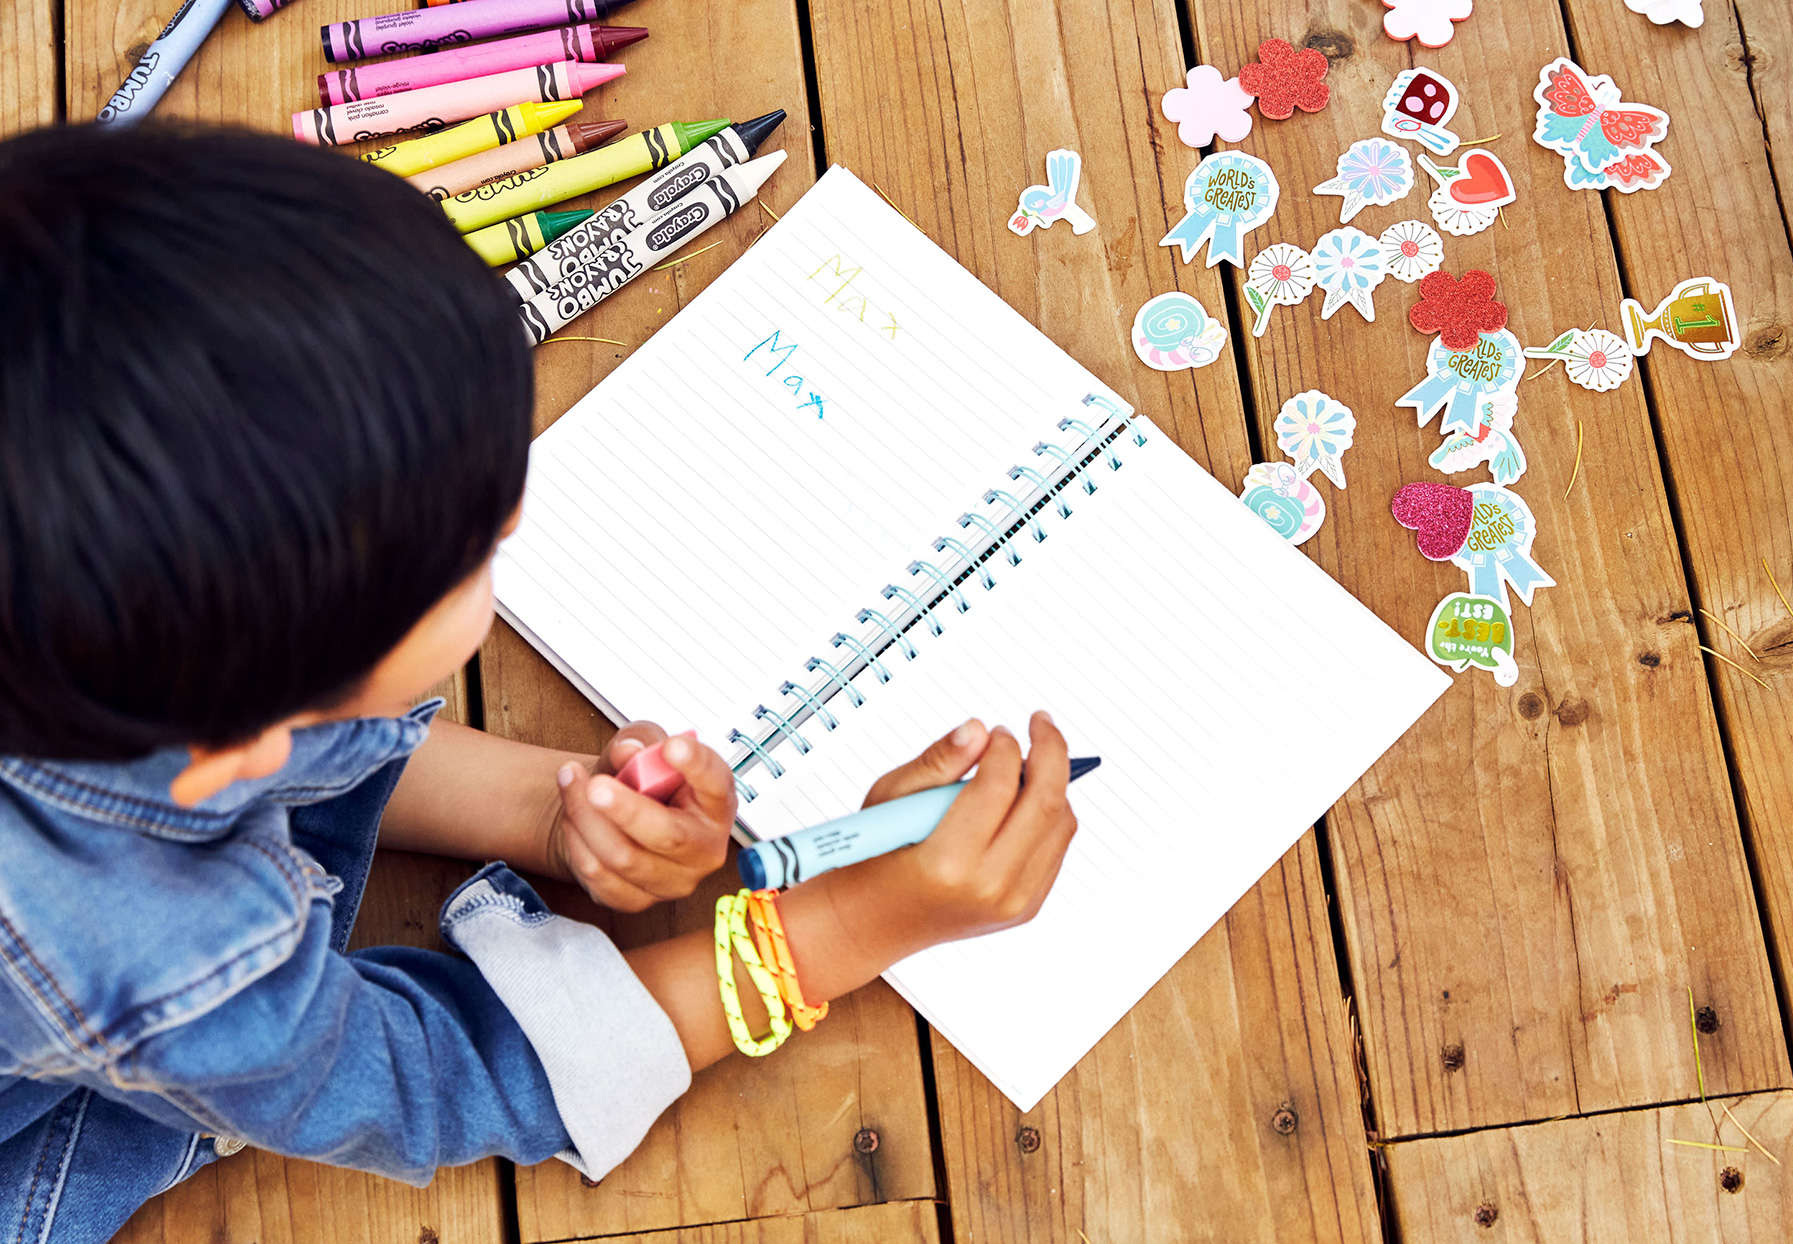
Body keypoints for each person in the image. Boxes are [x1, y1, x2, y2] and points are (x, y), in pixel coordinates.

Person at [0, 123, 1078, 1244]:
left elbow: (244, 740)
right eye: (479, 551)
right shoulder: (162, 951)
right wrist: (849, 921)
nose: (513, 527)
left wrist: (552, 816)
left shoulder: (120, 661)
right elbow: (421, 1079)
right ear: (242, 733)